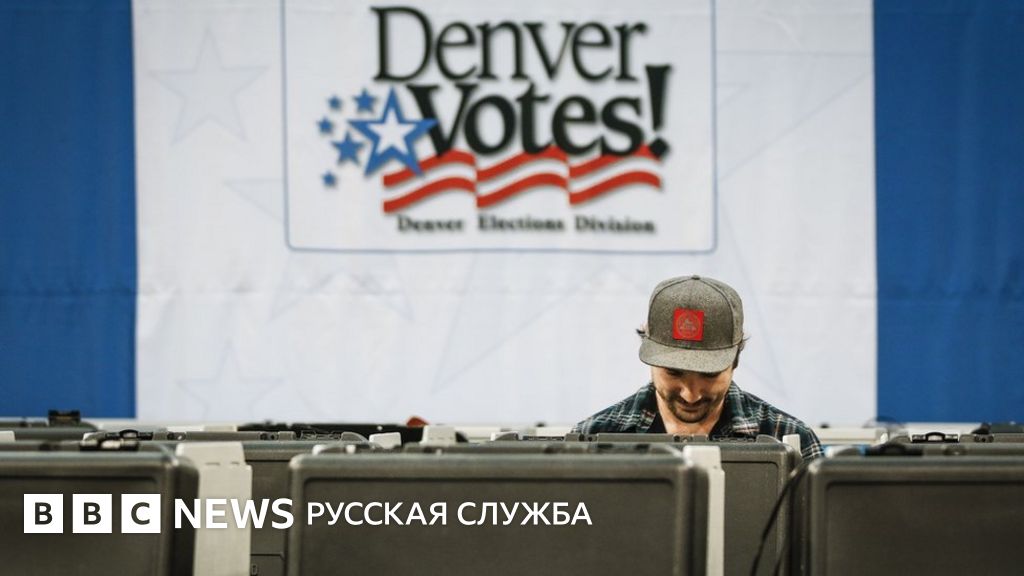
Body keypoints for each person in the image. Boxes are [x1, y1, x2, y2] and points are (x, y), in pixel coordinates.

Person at [573, 275, 823, 460]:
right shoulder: (591, 438)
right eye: (673, 372)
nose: (690, 394)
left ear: (735, 361)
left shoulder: (790, 440)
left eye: (709, 375)